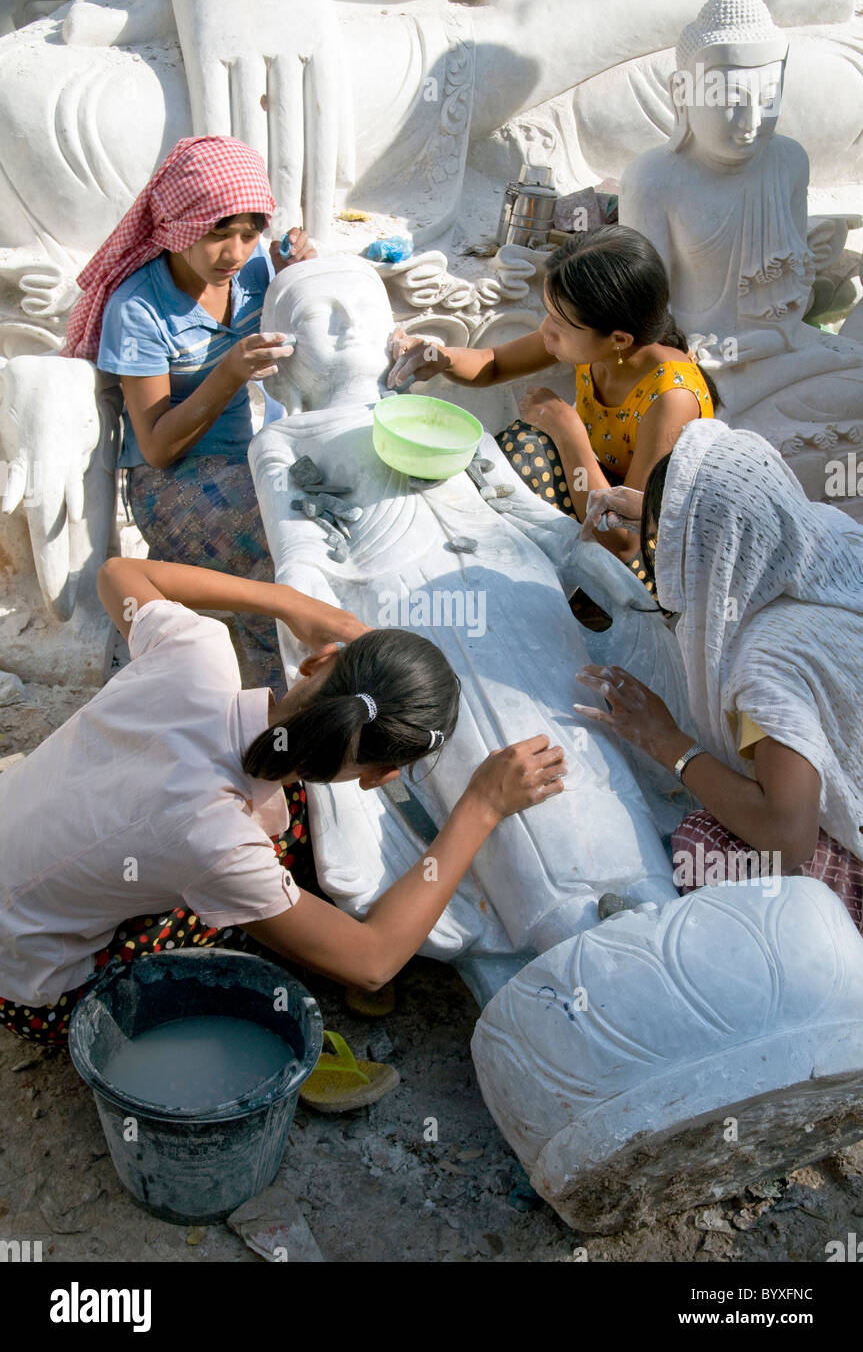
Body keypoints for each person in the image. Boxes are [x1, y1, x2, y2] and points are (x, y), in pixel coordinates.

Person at [0, 557, 566, 1044]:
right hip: (31, 988)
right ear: (378, 776)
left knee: (276, 828)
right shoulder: (218, 842)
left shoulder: (194, 649)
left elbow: (120, 572)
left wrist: (287, 602)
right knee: (257, 879)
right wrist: (482, 807)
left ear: (318, 662)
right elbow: (370, 962)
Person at [573, 418, 863, 929]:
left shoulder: (766, 666)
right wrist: (658, 514)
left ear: (712, 547)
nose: (655, 553)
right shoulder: (829, 532)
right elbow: (737, 521)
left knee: (702, 845)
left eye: (664, 542)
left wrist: (667, 743)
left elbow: (788, 839)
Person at [62, 134, 315, 686]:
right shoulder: (139, 309)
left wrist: (297, 272)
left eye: (249, 235)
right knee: (285, 534)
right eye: (217, 235)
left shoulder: (250, 273)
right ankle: (284, 708)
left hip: (249, 460)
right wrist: (228, 373)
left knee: (321, 519)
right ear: (177, 227)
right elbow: (155, 445)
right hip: (172, 484)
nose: (234, 253)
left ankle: (297, 689)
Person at [387, 225, 717, 590]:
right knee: (514, 455)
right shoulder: (603, 346)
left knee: (529, 449)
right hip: (596, 492)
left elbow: (623, 542)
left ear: (619, 339)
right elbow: (494, 362)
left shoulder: (671, 399)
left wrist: (567, 432)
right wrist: (439, 357)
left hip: (644, 553)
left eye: (559, 323)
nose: (546, 332)